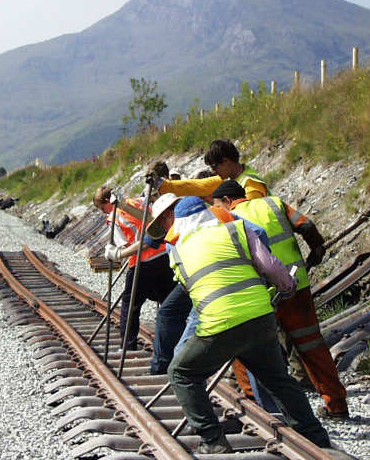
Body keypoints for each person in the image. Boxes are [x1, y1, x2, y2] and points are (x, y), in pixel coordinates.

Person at [147, 195, 330, 453]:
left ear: (178, 221)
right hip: (260, 318)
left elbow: (192, 291)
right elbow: (270, 266)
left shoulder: (176, 251)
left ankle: (213, 441)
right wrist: (286, 287)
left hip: (219, 325)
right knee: (278, 379)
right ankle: (315, 438)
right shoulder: (237, 229)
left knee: (181, 372)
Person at [211, 180, 349, 419]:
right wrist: (316, 251)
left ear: (226, 202)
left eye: (217, 205)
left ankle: (253, 405)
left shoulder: (225, 218)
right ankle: (336, 405)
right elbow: (306, 225)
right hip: (297, 288)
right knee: (311, 346)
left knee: (246, 348)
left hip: (260, 296)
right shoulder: (274, 204)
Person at [93, 186, 174, 353]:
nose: (103, 213)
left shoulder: (114, 218)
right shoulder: (139, 202)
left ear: (108, 202)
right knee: (168, 302)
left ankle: (128, 346)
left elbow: (125, 247)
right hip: (164, 257)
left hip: (142, 264)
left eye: (102, 208)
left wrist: (116, 254)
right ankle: (172, 344)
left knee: (130, 305)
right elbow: (156, 220)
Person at [153, 139, 267, 200]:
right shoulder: (231, 179)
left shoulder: (251, 185)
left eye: (214, 166)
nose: (213, 171)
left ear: (226, 161)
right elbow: (197, 186)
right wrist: (163, 185)